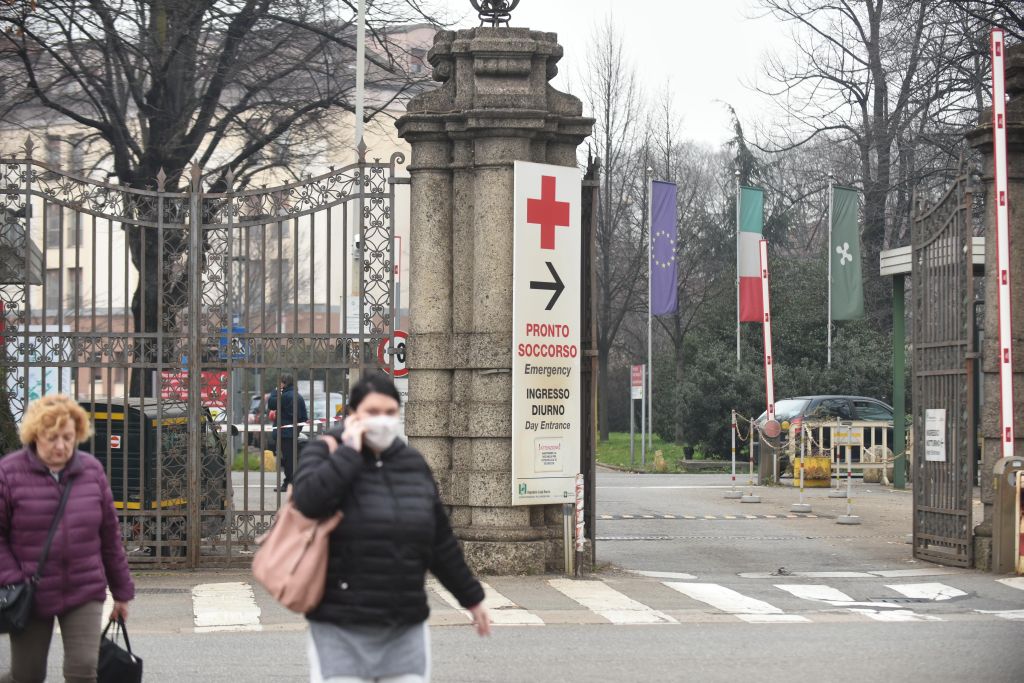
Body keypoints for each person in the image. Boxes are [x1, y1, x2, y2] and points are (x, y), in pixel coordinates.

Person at [292, 374, 491, 683]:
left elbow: (439, 541)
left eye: (389, 413)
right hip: (340, 624)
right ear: (352, 414)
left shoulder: (412, 463)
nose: (382, 421)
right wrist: (348, 453)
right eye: (372, 412)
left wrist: (472, 599)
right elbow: (307, 502)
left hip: (404, 624)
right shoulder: (325, 452)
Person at [0, 394, 135, 683]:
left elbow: (110, 537)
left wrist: (122, 593)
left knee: (84, 670)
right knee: (27, 675)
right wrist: (14, 577)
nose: (61, 446)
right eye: (52, 438)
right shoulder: (9, 473)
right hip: (30, 591)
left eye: (68, 437)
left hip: (83, 588)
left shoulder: (91, 472)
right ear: (35, 435)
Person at [266, 373, 308, 492]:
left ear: (284, 383)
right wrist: (297, 430)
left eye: (280, 383)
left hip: (284, 434)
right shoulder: (298, 396)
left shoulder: (285, 396)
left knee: (287, 460)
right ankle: (290, 482)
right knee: (291, 459)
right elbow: (304, 417)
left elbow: (271, 404)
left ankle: (290, 483)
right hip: (291, 433)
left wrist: (275, 391)